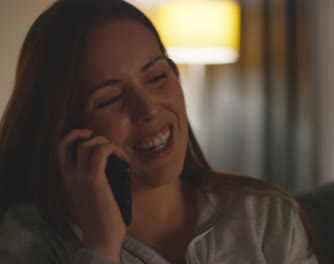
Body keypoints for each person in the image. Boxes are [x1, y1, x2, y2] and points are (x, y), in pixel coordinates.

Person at [0, 0, 318, 263]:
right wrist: (100, 247)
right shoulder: (27, 239)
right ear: (67, 125)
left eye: (156, 77)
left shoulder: (266, 218)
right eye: (110, 98)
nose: (148, 109)